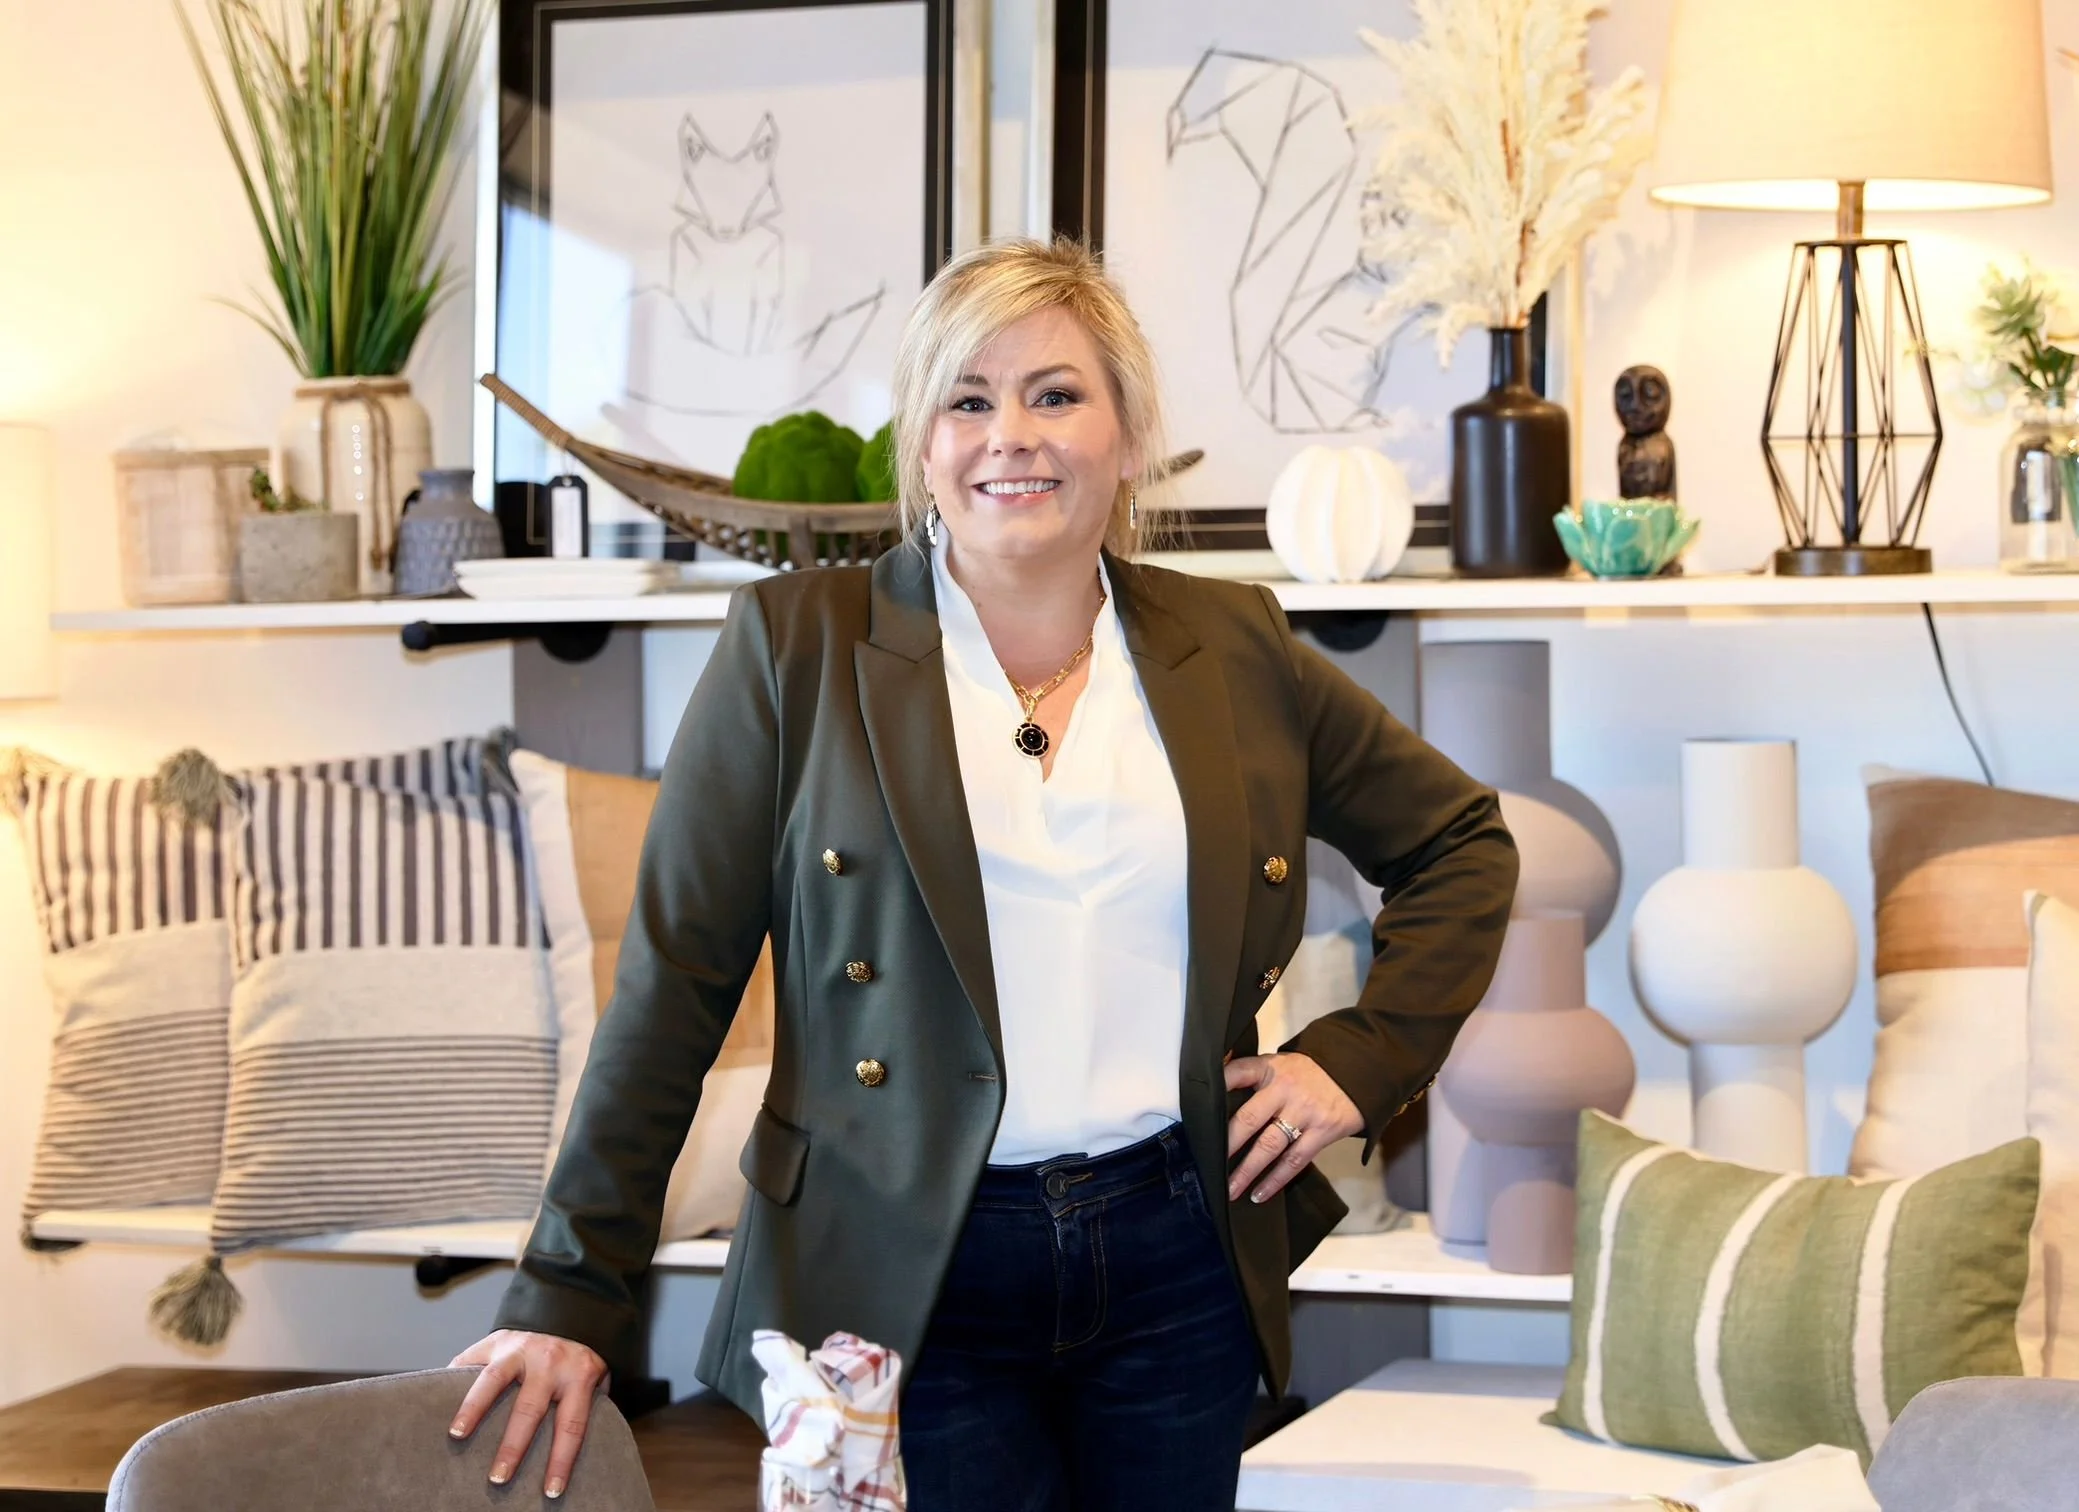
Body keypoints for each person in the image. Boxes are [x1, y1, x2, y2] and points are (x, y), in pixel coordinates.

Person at [447, 238, 1518, 1509]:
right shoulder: (797, 648)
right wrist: (569, 1291)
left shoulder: (1232, 646)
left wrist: (1358, 1058)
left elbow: (1462, 844)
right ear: (925, 443)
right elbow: (673, 984)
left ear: (1124, 434)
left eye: (1056, 394)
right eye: (968, 399)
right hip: (890, 1278)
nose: (1011, 434)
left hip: (1181, 1258)